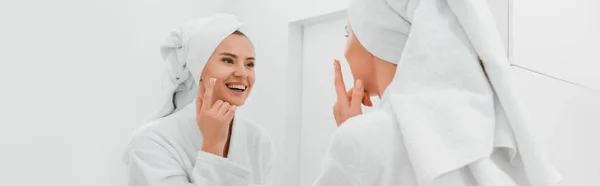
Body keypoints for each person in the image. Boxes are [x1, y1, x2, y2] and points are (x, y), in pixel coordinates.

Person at [314, 0, 562, 185]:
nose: (344, 49)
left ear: (374, 36)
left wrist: (355, 136)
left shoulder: (364, 142)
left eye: (348, 32)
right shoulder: (485, 143)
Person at [122, 14, 273, 186]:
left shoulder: (259, 139)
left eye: (249, 64)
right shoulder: (150, 141)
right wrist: (212, 145)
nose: (242, 73)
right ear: (198, 68)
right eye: (228, 60)